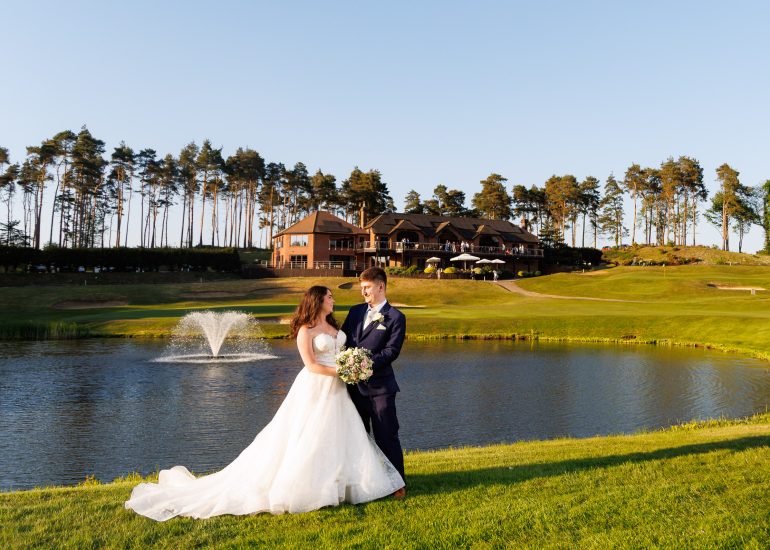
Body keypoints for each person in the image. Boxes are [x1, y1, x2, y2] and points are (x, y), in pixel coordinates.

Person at [124, 286, 404, 521]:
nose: (333, 300)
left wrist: (349, 368)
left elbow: (347, 349)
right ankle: (310, 488)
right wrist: (342, 372)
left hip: (340, 389)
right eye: (329, 297)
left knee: (341, 436)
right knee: (309, 437)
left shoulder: (334, 326)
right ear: (317, 300)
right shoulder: (305, 331)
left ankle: (346, 485)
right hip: (318, 386)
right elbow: (311, 365)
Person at [341, 267, 407, 498]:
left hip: (381, 389)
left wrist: (363, 365)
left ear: (381, 286)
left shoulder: (396, 317)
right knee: (358, 437)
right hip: (354, 389)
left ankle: (397, 483)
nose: (363, 293)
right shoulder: (355, 311)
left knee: (386, 435)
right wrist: (347, 363)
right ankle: (364, 484)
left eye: (367, 288)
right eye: (361, 288)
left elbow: (391, 352)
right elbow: (344, 342)